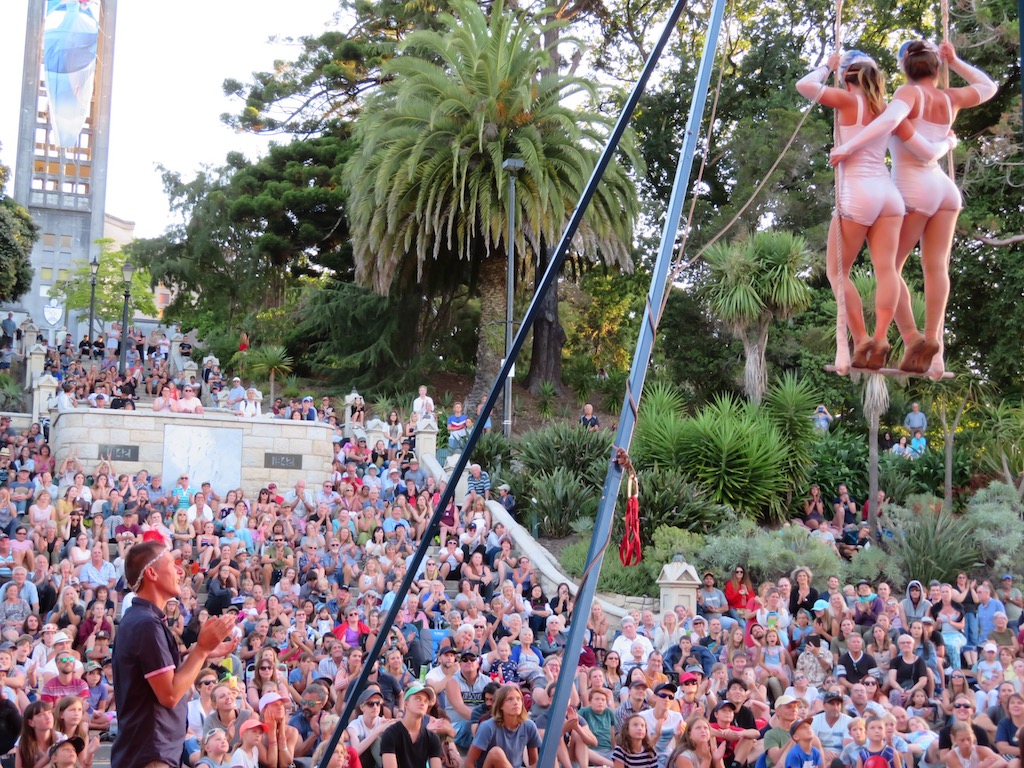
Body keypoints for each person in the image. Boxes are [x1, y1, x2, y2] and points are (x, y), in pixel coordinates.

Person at [830, 40, 996, 377]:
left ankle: (911, 337)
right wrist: (956, 60)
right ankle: (932, 342)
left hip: (914, 191)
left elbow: (900, 133)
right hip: (945, 192)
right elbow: (988, 86)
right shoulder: (950, 98)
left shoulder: (907, 95)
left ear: (905, 69)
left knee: (889, 267)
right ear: (937, 67)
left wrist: (848, 145)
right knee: (936, 267)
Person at [796, 51, 917, 371]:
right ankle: (880, 336)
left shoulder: (849, 101)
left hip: (858, 193)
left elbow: (804, 86)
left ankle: (862, 338)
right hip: (888, 195)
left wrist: (827, 66)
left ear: (848, 77)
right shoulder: (886, 109)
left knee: (838, 272)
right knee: (887, 269)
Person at [111, 540, 237, 768]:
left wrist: (204, 653)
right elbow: (169, 695)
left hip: (151, 749)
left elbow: (168, 682)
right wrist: (201, 649)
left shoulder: (140, 619)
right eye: (172, 564)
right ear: (151, 573)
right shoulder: (146, 624)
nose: (181, 571)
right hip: (151, 751)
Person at [466, 684, 541, 768]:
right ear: (500, 705)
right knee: (496, 753)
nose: (516, 702)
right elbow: (469, 762)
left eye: (518, 699)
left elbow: (533, 761)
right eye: (510, 699)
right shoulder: (487, 727)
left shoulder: (529, 726)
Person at [379, 682, 442, 768]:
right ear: (406, 704)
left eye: (426, 701)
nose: (423, 703)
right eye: (418, 699)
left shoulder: (432, 738)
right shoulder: (390, 734)